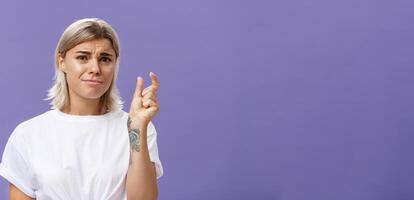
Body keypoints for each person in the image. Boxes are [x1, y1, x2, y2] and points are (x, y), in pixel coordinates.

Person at [0, 18, 163, 200]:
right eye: (82, 57)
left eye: (105, 59)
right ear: (62, 61)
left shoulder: (137, 128)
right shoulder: (28, 134)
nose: (95, 68)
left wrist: (136, 129)